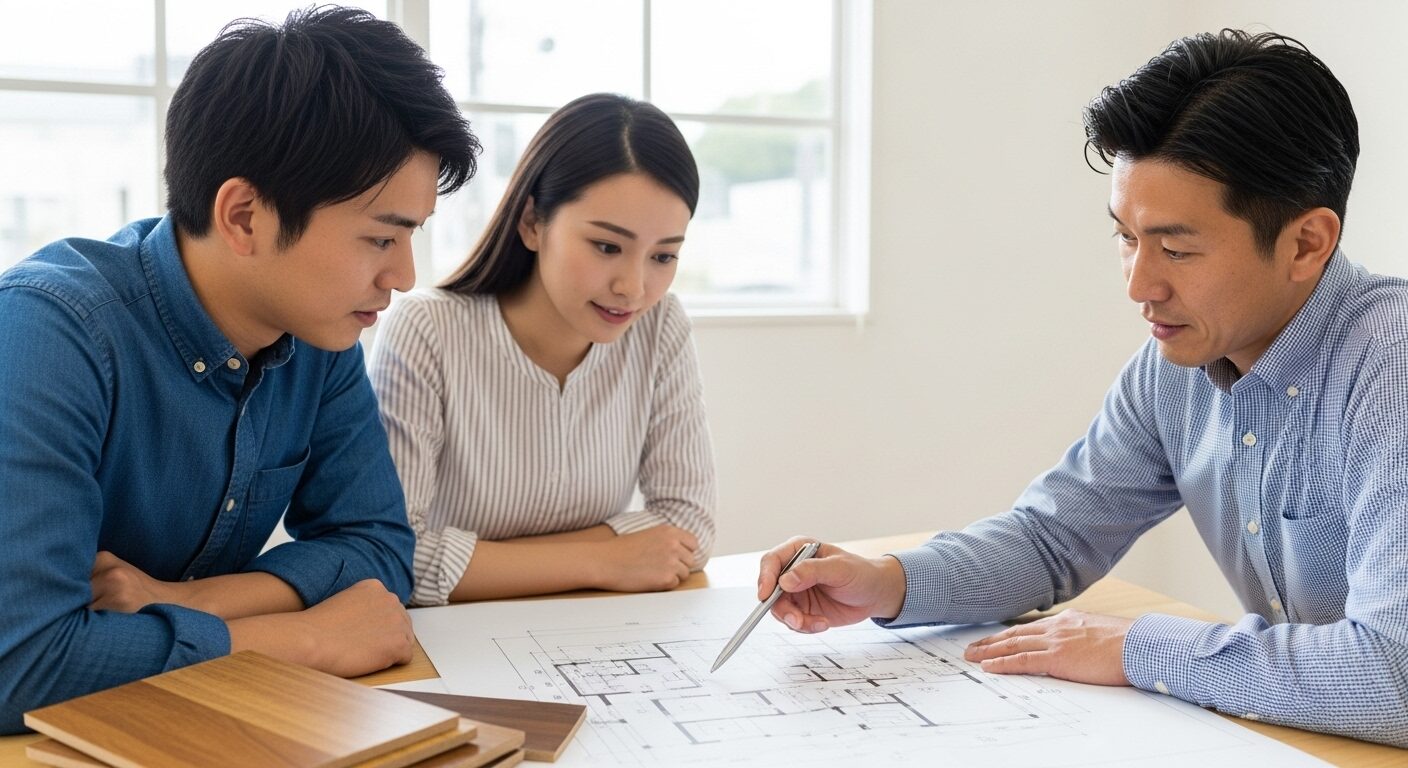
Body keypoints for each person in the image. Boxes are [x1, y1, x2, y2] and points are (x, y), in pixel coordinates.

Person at [756, 29, 1408, 747]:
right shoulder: (1175, 367)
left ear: (1307, 244)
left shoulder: (1391, 368)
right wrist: (890, 581)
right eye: (1126, 238)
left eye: (1177, 248)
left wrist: (1135, 648)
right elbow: (1052, 538)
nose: (1138, 285)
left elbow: (1396, 674)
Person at [0, 7, 479, 734]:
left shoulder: (320, 335)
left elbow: (380, 551)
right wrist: (305, 639)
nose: (404, 276)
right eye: (381, 237)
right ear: (244, 216)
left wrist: (196, 601)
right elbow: (24, 666)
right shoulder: (48, 334)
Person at [368, 93, 715, 607]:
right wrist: (608, 560)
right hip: (457, 647)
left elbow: (688, 526)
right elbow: (397, 556)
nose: (634, 287)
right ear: (532, 222)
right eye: (606, 246)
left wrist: (488, 562)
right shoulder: (427, 331)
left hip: (597, 637)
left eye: (664, 255)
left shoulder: (661, 327)